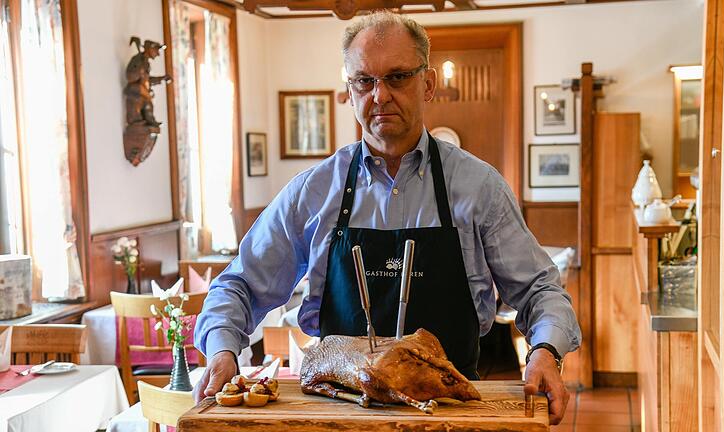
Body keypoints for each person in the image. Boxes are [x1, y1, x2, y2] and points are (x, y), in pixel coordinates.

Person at [193, 11, 581, 425]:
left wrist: (545, 352)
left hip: (449, 415)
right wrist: (222, 350)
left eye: (397, 77)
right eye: (364, 80)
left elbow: (541, 291)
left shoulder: (478, 187)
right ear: (349, 89)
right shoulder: (316, 190)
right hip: (339, 416)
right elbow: (239, 285)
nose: (379, 95)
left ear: (427, 84)